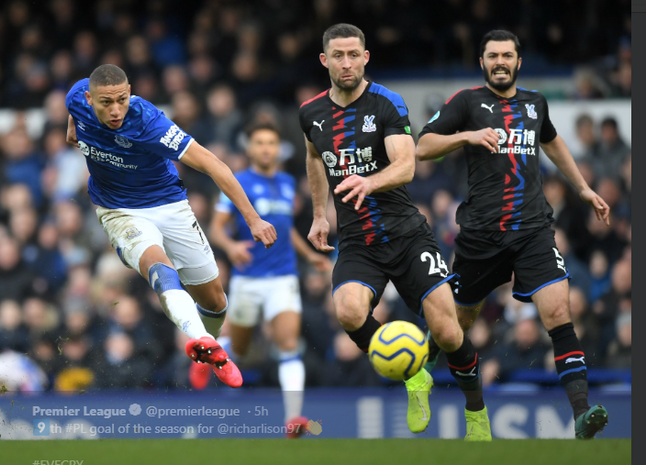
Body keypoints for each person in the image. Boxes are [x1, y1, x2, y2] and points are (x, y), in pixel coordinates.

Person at [299, 23, 491, 441]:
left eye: (354, 54)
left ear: (366, 57)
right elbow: (315, 157)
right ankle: (415, 377)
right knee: (348, 311)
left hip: (406, 234)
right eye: (338, 55)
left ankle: (476, 411)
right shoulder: (310, 113)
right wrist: (318, 214)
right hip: (357, 241)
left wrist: (369, 182)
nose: (346, 62)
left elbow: (407, 165)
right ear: (324, 60)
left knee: (446, 330)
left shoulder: (387, 102)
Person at [416, 30, 611, 439]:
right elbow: (422, 146)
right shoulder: (467, 102)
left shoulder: (535, 104)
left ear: (518, 62)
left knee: (559, 313)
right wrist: (466, 136)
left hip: (533, 230)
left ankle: (580, 412)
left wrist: (583, 188)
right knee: (458, 322)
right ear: (482, 63)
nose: (500, 61)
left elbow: (553, 144)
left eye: (507, 55)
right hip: (481, 235)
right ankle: (420, 378)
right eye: (492, 56)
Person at [65, 64, 277, 388]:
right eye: (106, 103)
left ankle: (206, 347)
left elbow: (214, 165)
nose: (116, 109)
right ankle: (202, 342)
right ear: (89, 98)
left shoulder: (148, 121)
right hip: (119, 210)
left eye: (122, 99)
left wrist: (253, 219)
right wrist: (76, 137)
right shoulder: (75, 100)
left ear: (131, 91)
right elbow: (73, 125)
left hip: (169, 204)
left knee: (215, 302)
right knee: (158, 266)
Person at [208, 121, 331, 436]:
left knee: (289, 344)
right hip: (248, 279)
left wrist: (310, 255)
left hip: (283, 277)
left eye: (271, 143)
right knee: (242, 348)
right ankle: (214, 352)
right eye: (260, 142)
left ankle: (293, 419)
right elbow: (216, 229)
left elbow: (284, 229)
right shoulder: (237, 182)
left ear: (278, 149)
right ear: (249, 148)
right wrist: (231, 245)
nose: (266, 148)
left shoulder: (288, 183)